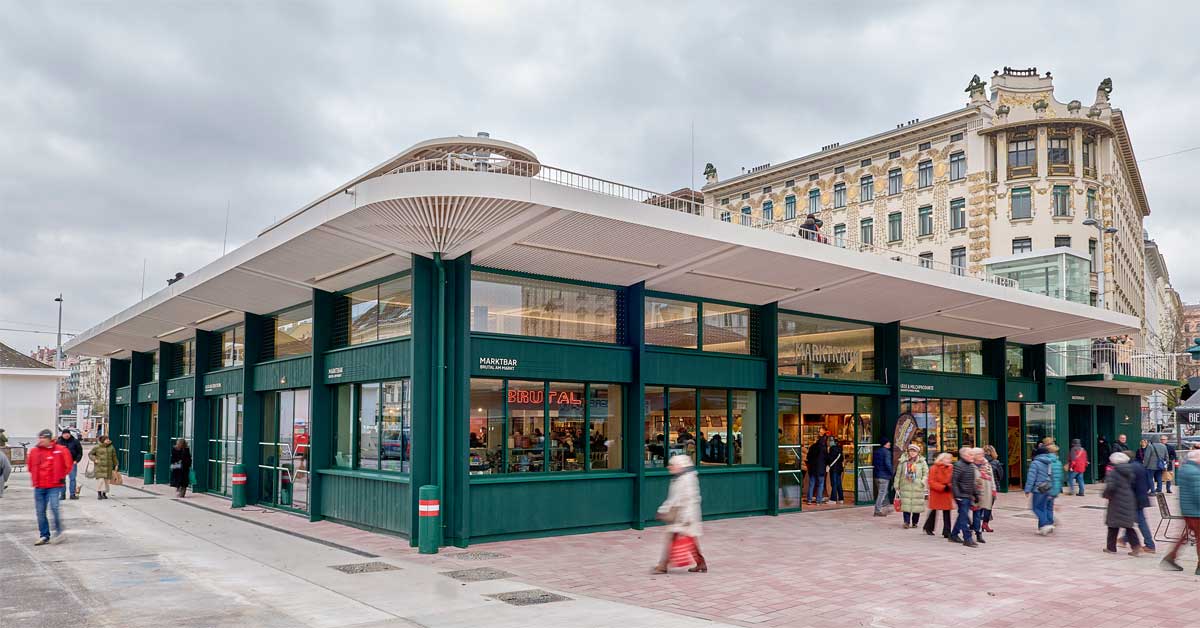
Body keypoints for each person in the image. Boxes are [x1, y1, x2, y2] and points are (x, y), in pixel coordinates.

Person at [653, 455, 706, 574]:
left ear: (680, 466)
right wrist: (663, 510)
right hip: (680, 515)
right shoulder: (679, 478)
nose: (669, 467)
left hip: (685, 516)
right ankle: (701, 563)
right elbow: (673, 498)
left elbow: (690, 499)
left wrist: (686, 517)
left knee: (674, 537)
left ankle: (663, 565)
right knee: (689, 539)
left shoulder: (687, 479)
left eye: (672, 465)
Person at [28, 429, 72, 545]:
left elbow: (68, 465)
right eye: (40, 438)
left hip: (54, 485)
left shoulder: (60, 450)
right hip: (39, 486)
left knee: (54, 507)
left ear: (50, 439)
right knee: (40, 511)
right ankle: (44, 535)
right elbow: (30, 466)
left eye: (44, 438)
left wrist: (61, 476)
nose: (41, 440)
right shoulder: (34, 451)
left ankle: (59, 532)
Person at [1160, 449, 1200, 574]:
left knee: (1185, 536)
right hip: (1195, 511)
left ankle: (1170, 558)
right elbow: (1197, 494)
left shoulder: (1185, 469)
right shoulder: (1194, 472)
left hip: (1187, 509)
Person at [1102, 452, 1141, 556]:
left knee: (1112, 525)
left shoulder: (1113, 472)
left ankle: (1111, 547)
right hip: (1128, 498)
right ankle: (1136, 546)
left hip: (1116, 500)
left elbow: (1110, 487)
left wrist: (1105, 495)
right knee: (1128, 525)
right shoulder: (1129, 471)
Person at [1024, 444, 1063, 535]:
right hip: (1048, 488)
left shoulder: (1035, 463)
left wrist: (1027, 490)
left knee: (1035, 508)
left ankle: (1045, 524)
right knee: (1044, 508)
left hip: (1038, 489)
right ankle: (1045, 526)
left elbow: (1031, 478)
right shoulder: (1050, 462)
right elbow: (1055, 476)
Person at [1123, 454, 1156, 554]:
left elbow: (1130, 484)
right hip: (1142, 497)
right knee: (1135, 520)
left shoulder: (1131, 468)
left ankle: (1150, 545)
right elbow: (1149, 481)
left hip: (1135, 498)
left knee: (1139, 522)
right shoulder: (1140, 466)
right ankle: (1124, 539)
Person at [950, 448, 978, 546]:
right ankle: (967, 538)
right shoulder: (958, 465)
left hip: (968, 494)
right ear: (963, 455)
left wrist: (975, 494)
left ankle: (953, 535)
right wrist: (957, 495)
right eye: (969, 454)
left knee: (962, 515)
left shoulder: (971, 466)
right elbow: (954, 482)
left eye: (972, 454)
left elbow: (972, 482)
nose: (972, 456)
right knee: (964, 517)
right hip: (961, 495)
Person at [894, 444, 927, 528]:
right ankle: (906, 522)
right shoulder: (903, 461)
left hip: (917, 487)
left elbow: (926, 473)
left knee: (917, 505)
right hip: (905, 486)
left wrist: (922, 482)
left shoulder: (922, 461)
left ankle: (915, 522)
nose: (912, 453)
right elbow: (898, 474)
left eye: (914, 451)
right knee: (906, 505)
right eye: (911, 451)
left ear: (918, 452)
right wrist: (896, 485)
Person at [923, 452, 954, 538]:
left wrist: (949, 486)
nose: (949, 461)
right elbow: (931, 482)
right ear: (942, 459)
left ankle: (947, 531)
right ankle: (928, 527)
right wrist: (942, 487)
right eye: (947, 459)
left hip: (946, 492)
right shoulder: (934, 468)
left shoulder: (951, 468)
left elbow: (953, 479)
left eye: (950, 459)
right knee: (934, 511)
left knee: (947, 512)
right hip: (937, 492)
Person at [971, 447, 998, 544]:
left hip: (986, 492)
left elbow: (991, 478)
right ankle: (977, 532)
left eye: (981, 454)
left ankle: (977, 530)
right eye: (979, 454)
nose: (981, 456)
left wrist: (993, 489)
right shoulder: (971, 465)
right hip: (975, 493)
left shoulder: (987, 465)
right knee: (976, 513)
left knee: (981, 511)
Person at [981, 445, 1005, 532]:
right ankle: (985, 523)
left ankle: (976, 523)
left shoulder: (980, 461)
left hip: (981, 486)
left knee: (980, 505)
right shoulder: (996, 462)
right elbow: (1001, 475)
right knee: (988, 506)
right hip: (992, 486)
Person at [56, 428, 84, 500]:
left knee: (72, 479)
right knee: (62, 479)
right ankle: (62, 495)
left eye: (67, 433)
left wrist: (76, 460)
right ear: (62, 434)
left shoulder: (75, 441)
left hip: (72, 463)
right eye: (64, 434)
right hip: (62, 464)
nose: (66, 435)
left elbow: (79, 452)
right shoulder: (58, 442)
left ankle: (72, 494)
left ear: (70, 434)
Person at [88, 435, 118, 499]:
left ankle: (104, 493)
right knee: (100, 481)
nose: (108, 440)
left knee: (107, 482)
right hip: (99, 466)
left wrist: (116, 464)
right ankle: (99, 493)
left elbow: (114, 457)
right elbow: (90, 454)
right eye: (106, 439)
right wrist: (95, 459)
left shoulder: (111, 447)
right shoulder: (97, 447)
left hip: (108, 467)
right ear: (102, 440)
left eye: (108, 439)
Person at [872, 440, 894, 516]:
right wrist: (892, 473)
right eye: (888, 442)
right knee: (882, 493)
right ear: (885, 443)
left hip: (876, 475)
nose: (890, 443)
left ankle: (887, 508)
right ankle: (877, 510)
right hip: (884, 476)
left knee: (883, 492)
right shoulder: (887, 452)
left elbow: (873, 463)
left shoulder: (876, 451)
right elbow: (887, 464)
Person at [805, 435, 828, 505]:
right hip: (821, 469)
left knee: (811, 484)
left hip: (812, 469)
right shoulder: (823, 448)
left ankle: (809, 500)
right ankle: (818, 501)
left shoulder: (812, 447)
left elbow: (808, 457)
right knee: (820, 485)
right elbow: (827, 458)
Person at [827, 440, 845, 504]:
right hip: (839, 469)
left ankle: (833, 499)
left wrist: (828, 465)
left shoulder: (832, 449)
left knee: (834, 484)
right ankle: (841, 498)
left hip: (833, 469)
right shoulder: (840, 449)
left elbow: (829, 459)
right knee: (839, 483)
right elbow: (842, 459)